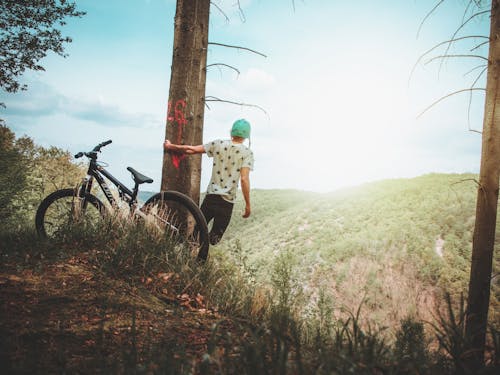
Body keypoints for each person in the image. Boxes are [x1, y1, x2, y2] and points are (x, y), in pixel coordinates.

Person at [163, 119, 254, 245]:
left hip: (211, 197)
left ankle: (187, 253)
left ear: (231, 132)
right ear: (246, 136)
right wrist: (248, 205)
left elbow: (191, 150)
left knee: (197, 233)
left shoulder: (218, 144)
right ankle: (197, 257)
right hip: (227, 202)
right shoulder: (247, 153)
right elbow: (244, 179)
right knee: (214, 239)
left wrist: (170, 146)